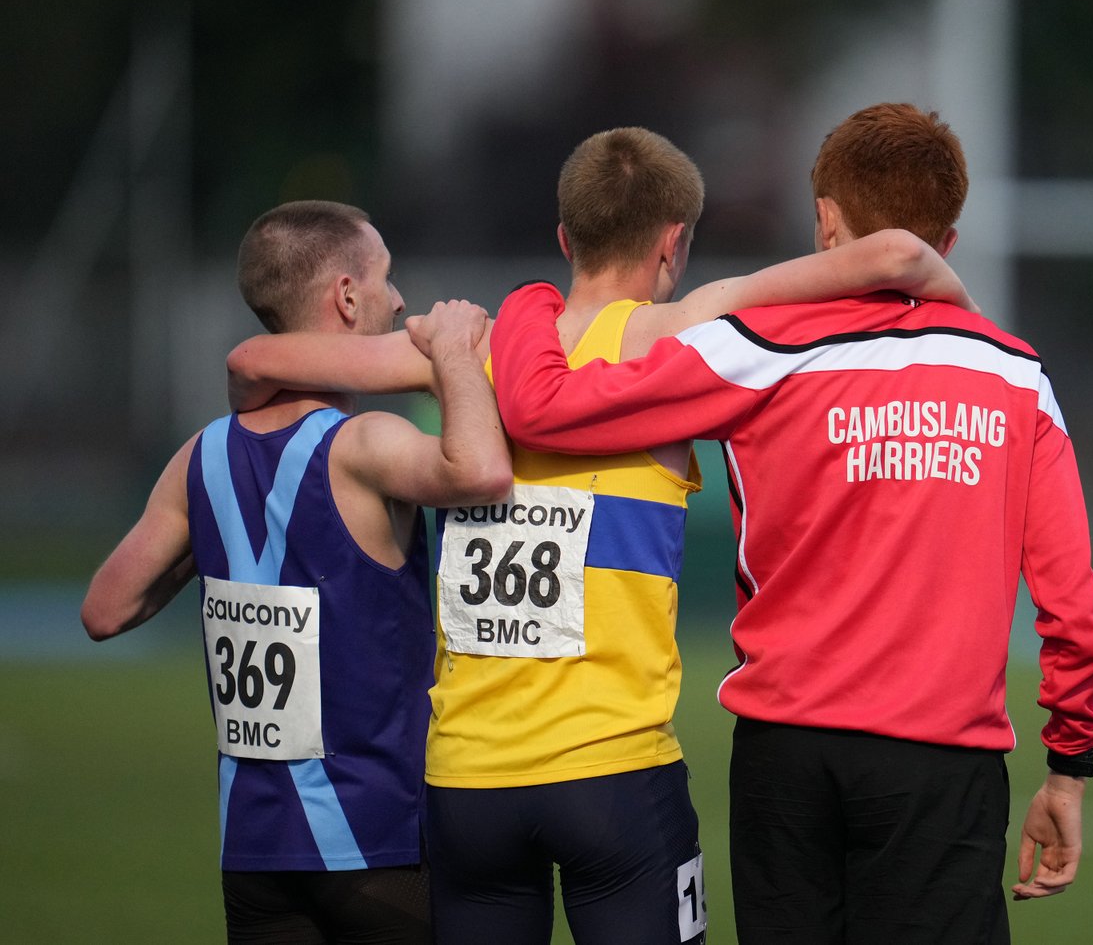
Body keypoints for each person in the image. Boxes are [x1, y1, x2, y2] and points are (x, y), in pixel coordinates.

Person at [224, 128, 975, 945]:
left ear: (564, 238)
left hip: (468, 778)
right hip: (615, 773)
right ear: (673, 242)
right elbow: (899, 255)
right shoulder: (680, 333)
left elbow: (256, 359)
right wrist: (968, 324)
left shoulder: (473, 355)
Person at [487, 105, 1093, 944]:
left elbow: (545, 409)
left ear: (825, 222)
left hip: (784, 756)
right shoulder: (1016, 376)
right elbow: (1073, 612)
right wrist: (1069, 767)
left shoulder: (755, 348)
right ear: (949, 241)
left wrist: (530, 302)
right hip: (943, 763)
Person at [80, 200, 512, 944]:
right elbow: (479, 470)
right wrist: (451, 354)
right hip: (375, 836)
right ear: (345, 296)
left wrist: (219, 545)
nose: (397, 300)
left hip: (254, 849)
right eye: (384, 278)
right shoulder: (365, 444)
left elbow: (105, 609)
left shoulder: (201, 457)